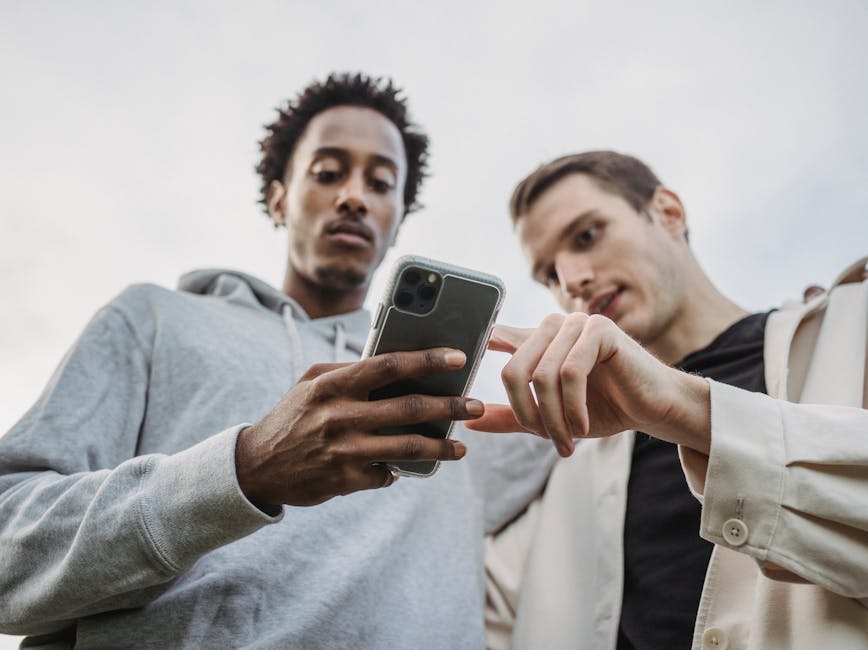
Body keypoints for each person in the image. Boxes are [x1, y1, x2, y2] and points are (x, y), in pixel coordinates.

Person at [0, 72, 551, 649]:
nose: (354, 197)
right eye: (327, 172)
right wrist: (244, 469)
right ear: (279, 197)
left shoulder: (464, 407)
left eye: (382, 183)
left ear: (398, 220)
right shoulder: (155, 319)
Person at [471, 151, 868, 650]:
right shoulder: (566, 469)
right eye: (549, 275)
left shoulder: (851, 329)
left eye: (586, 235)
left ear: (668, 212)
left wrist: (685, 409)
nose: (572, 280)